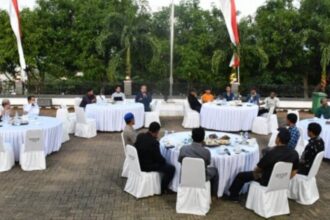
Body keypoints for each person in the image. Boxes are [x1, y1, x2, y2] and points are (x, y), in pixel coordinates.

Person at [227, 127, 299, 201]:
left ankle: (233, 196)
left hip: (265, 179)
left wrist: (256, 172)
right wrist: (284, 180)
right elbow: (295, 171)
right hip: (281, 181)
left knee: (241, 176)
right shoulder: (294, 153)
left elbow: (258, 168)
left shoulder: (272, 153)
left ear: (278, 139)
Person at [134, 122, 175, 193]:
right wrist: (165, 160)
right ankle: (163, 189)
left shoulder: (140, 136)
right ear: (157, 132)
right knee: (171, 168)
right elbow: (159, 159)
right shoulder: (154, 143)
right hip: (146, 166)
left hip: (138, 162)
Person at [178, 127, 219, 196]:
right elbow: (208, 163)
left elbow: (180, 161)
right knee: (215, 170)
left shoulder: (183, 149)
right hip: (201, 177)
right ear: (203, 138)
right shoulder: (206, 152)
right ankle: (213, 194)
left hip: (186, 175)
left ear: (192, 137)